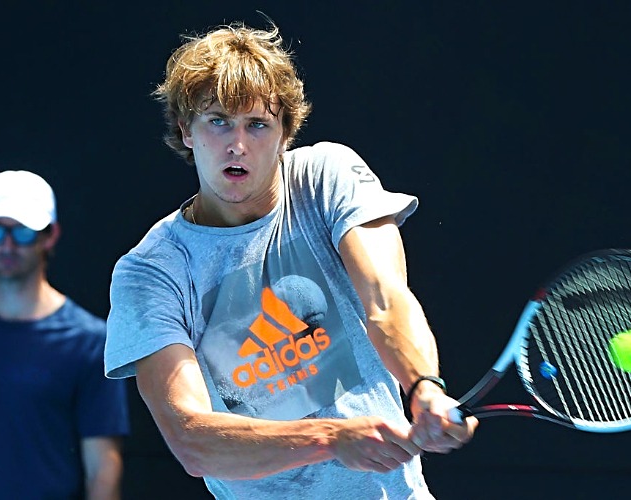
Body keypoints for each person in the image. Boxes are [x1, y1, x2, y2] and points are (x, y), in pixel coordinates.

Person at [104, 20, 478, 499]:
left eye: (257, 124)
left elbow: (385, 299)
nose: (237, 144)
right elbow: (192, 439)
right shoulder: (151, 272)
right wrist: (329, 439)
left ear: (285, 134)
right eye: (217, 120)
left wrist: (423, 385)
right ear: (187, 131)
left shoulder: (326, 177)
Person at [0, 170, 131, 499]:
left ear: (49, 235)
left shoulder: (89, 342)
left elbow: (102, 468)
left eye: (23, 232)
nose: (7, 245)